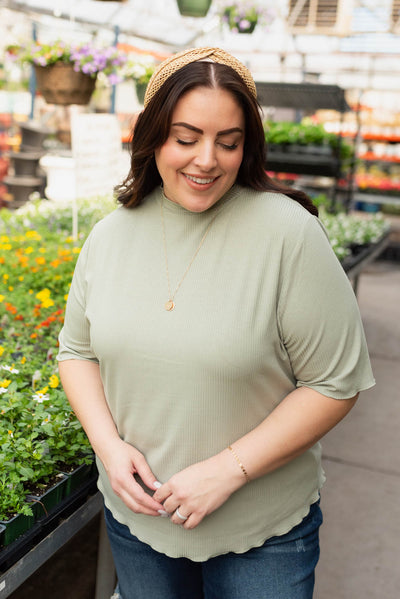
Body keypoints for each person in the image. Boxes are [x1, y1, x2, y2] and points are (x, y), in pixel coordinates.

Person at [57, 47, 375, 599]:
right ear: (152, 134)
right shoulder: (110, 235)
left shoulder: (288, 235)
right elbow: (77, 353)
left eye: (228, 142)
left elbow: (333, 383)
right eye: (186, 138)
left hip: (262, 536)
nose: (207, 160)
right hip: (139, 526)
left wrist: (228, 470)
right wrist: (109, 449)